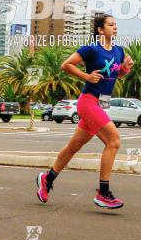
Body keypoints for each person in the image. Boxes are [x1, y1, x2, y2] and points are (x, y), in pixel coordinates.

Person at [36, 14, 134, 209]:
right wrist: (86, 76)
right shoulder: (91, 49)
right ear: (100, 30)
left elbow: (116, 75)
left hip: (101, 104)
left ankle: (47, 178)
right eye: (110, 25)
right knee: (114, 141)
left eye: (116, 25)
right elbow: (66, 65)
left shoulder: (119, 51)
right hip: (88, 103)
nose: (115, 27)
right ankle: (103, 192)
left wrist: (125, 68)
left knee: (73, 147)